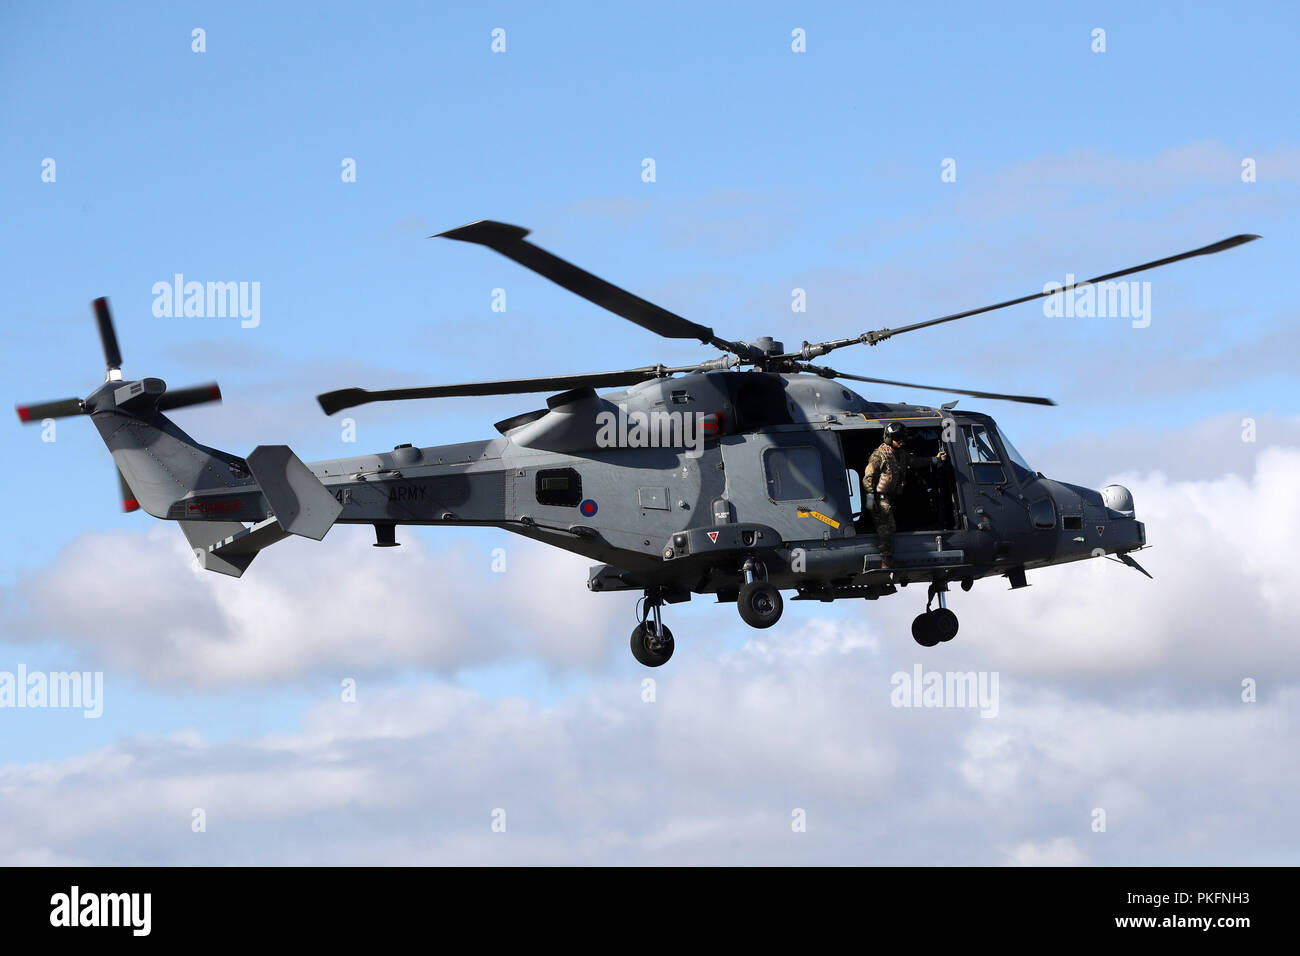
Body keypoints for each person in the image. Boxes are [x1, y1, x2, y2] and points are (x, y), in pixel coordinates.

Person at [863, 421, 946, 569]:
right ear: (889, 438)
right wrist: (870, 502)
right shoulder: (878, 456)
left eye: (902, 438)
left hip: (892, 497)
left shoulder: (901, 454)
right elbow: (868, 479)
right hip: (880, 499)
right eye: (898, 438)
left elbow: (915, 462)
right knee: (888, 527)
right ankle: (886, 561)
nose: (901, 441)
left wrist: (935, 459)